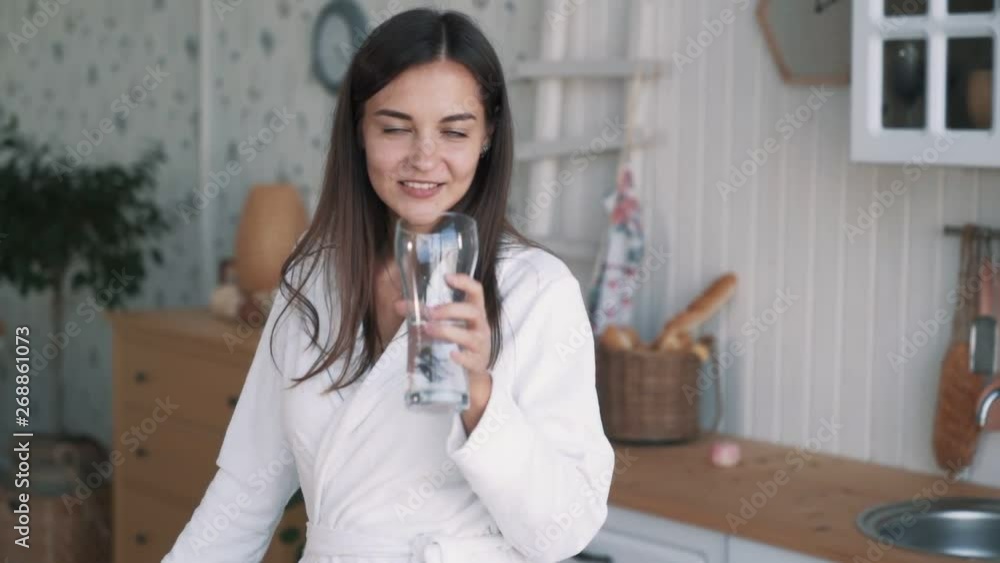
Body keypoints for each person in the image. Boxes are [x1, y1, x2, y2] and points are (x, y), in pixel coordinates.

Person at [163, 8, 614, 563]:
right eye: (396, 127)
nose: (424, 157)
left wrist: (478, 393)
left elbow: (563, 533)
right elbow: (243, 495)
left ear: (487, 135)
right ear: (359, 128)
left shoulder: (538, 291)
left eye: (453, 130)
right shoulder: (312, 280)